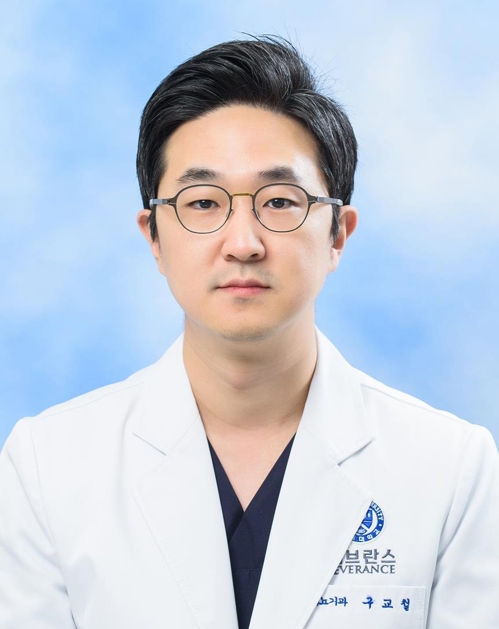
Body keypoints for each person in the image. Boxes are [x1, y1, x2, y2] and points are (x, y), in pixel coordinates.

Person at [0, 36, 498, 629]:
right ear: (154, 236)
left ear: (338, 234)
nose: (243, 243)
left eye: (280, 201)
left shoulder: (452, 469)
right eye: (203, 203)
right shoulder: (47, 467)